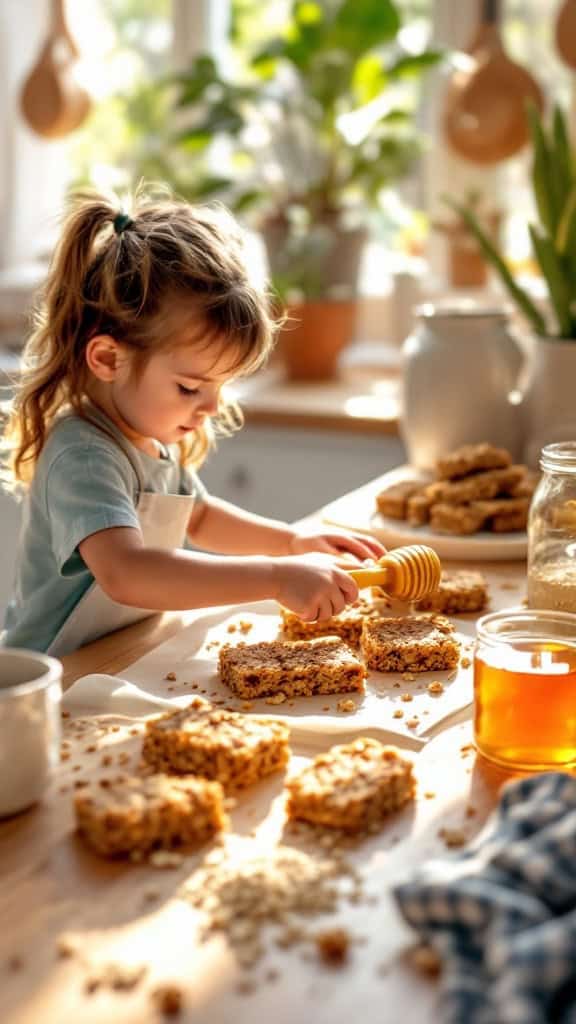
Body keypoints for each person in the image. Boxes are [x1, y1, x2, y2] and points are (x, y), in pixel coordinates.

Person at [1, 188, 385, 657]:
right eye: (189, 387)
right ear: (107, 358)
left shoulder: (147, 437)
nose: (210, 409)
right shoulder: (84, 454)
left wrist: (291, 541)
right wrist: (276, 578)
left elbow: (200, 518)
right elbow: (127, 573)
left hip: (119, 653)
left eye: (221, 387)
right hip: (54, 674)